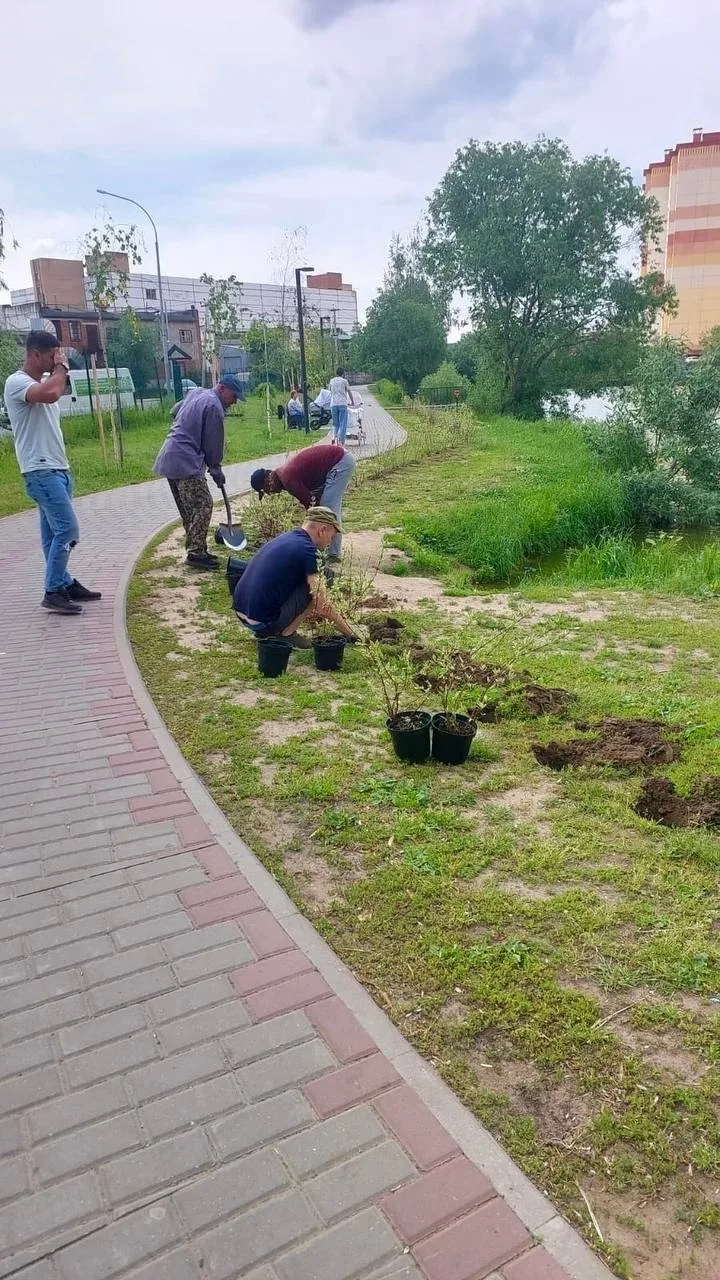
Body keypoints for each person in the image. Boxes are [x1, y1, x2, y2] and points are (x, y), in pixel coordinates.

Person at [3, 330, 101, 616]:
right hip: (40, 470)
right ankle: (52, 590)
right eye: (50, 355)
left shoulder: (44, 381)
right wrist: (61, 368)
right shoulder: (17, 382)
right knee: (68, 530)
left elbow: (55, 389)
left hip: (57, 468)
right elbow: (51, 394)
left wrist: (58, 369)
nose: (55, 360)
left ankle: (64, 582)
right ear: (34, 354)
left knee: (51, 536)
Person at [153, 374, 245, 571]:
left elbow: (174, 411)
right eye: (233, 396)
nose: (234, 401)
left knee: (190, 509)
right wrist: (216, 468)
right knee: (203, 504)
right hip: (186, 461)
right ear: (222, 388)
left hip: (170, 456)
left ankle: (197, 549)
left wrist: (188, 427)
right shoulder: (214, 407)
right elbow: (213, 443)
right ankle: (196, 553)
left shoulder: (197, 393)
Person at [232, 506, 356, 645]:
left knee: (323, 573)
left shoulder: (289, 537)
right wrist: (350, 634)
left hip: (242, 613)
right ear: (322, 530)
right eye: (332, 537)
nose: (330, 542)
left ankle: (274, 628)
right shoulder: (309, 551)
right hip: (264, 623)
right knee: (321, 584)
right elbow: (322, 604)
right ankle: (286, 634)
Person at [250, 442, 355, 567]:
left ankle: (333, 554)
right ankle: (326, 548)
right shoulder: (284, 476)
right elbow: (312, 502)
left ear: (268, 482)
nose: (270, 493)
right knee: (324, 511)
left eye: (267, 491)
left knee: (328, 510)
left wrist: (306, 537)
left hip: (340, 462)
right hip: (335, 463)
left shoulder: (288, 479)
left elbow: (313, 508)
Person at [329, 367, 355, 445]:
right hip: (342, 404)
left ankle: (333, 437)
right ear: (343, 373)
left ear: (336, 373)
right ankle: (341, 441)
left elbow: (330, 391)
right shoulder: (344, 381)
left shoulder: (331, 381)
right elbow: (349, 391)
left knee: (335, 423)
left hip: (333, 404)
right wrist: (352, 401)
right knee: (343, 423)